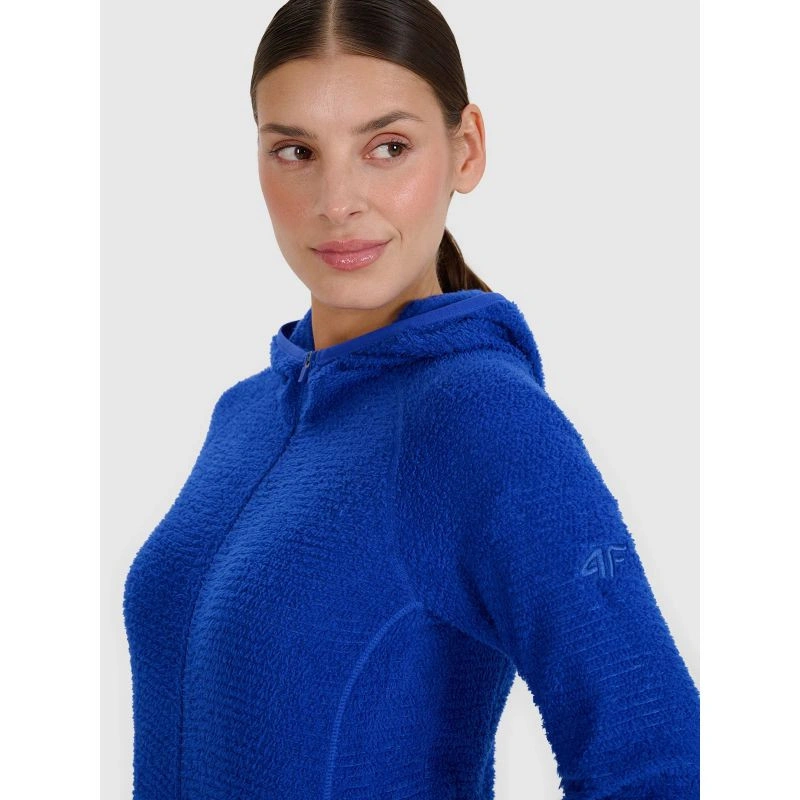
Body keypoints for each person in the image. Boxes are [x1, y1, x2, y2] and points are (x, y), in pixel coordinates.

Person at [122, 1, 700, 797]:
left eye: (387, 148)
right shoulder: (243, 415)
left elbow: (660, 758)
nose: (337, 200)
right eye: (296, 151)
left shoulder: (483, 421)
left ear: (467, 149)